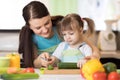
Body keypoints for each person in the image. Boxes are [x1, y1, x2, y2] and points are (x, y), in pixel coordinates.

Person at [18, 1, 100, 68]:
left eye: (47, 23)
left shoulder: (62, 28)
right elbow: (33, 63)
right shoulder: (31, 39)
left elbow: (93, 49)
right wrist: (40, 61)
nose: (45, 30)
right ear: (30, 27)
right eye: (38, 28)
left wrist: (93, 57)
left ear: (50, 16)